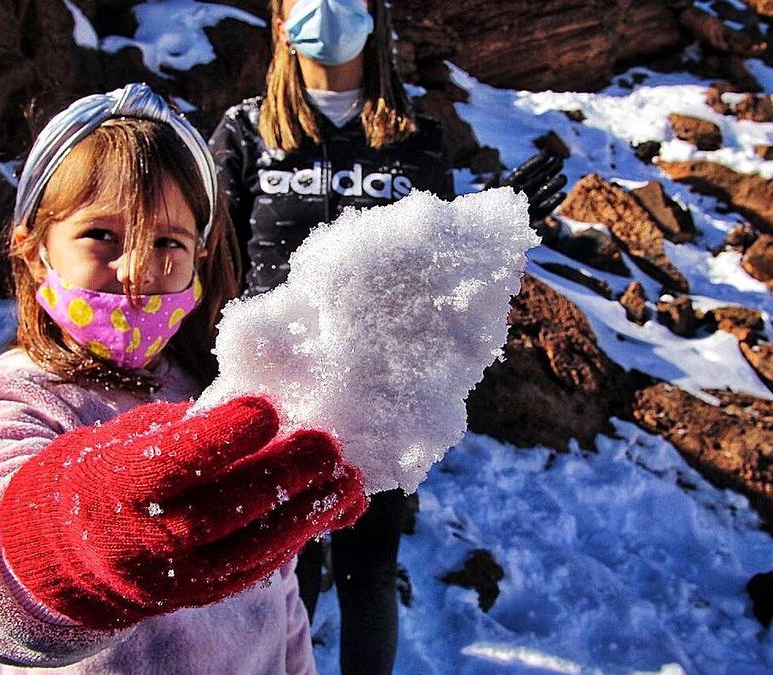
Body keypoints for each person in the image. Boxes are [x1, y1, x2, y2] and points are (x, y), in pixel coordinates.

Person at [0, 83, 368, 674]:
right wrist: (67, 545)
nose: (138, 270)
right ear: (35, 250)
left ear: (200, 257)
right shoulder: (13, 400)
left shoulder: (210, 390)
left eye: (169, 241)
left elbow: (276, 600)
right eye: (102, 236)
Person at [209, 2, 567, 672]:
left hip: (378, 400)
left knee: (368, 574)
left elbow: (435, 274)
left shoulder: (416, 137)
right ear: (280, 21)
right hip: (272, 403)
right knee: (284, 577)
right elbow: (212, 261)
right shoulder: (245, 131)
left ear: (373, 19)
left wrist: (492, 225)